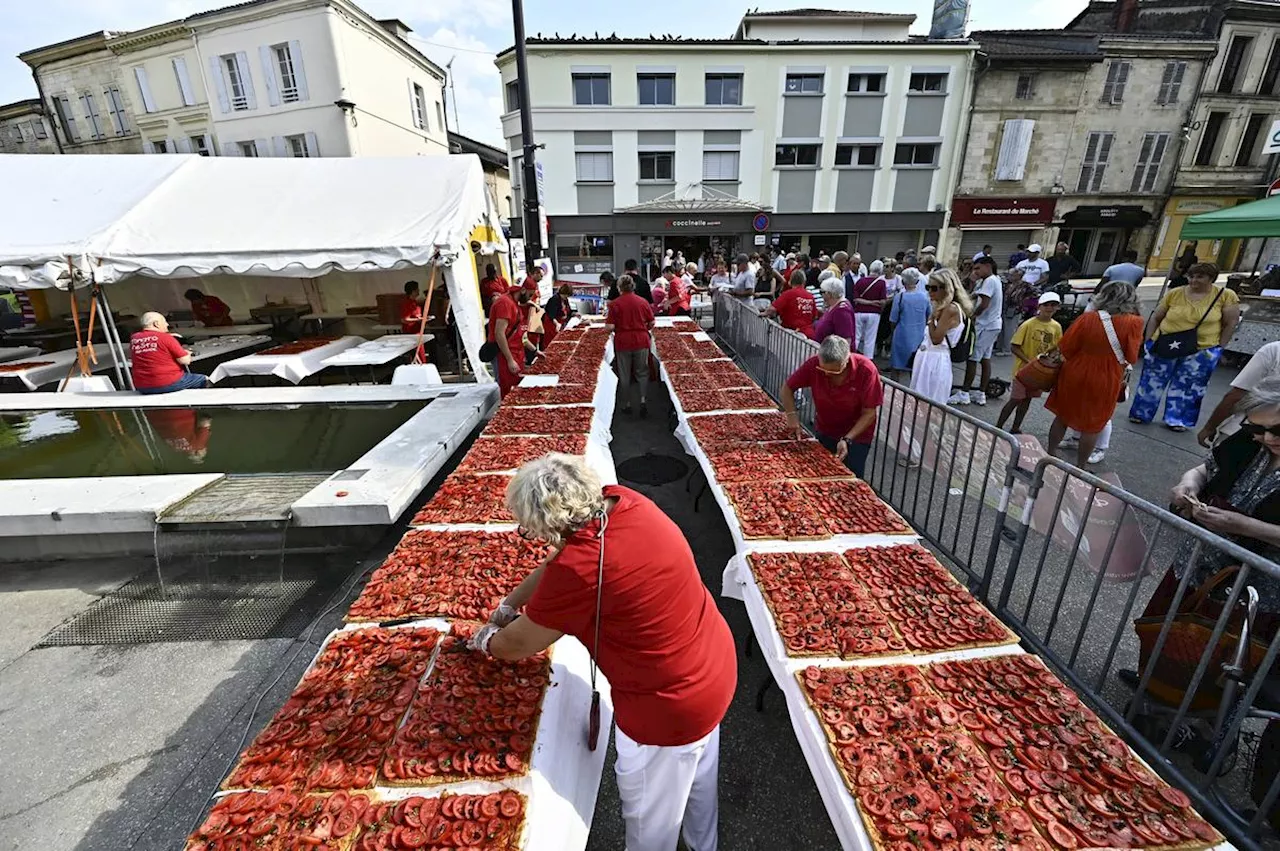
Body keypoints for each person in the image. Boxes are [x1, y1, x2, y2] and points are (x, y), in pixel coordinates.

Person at [470, 454, 736, 851]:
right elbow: (561, 556)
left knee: (650, 819)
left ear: (552, 525)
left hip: (666, 707)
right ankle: (704, 845)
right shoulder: (623, 502)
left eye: (532, 531)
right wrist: (510, 603)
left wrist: (484, 638)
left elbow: (517, 645)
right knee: (697, 775)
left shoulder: (580, 570)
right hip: (711, 665)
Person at [1167, 378, 1280, 617]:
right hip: (1192, 571)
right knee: (1162, 642)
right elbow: (1204, 470)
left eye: (1278, 430)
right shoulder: (1248, 442)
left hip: (1256, 602)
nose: (1268, 438)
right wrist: (1188, 484)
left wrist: (1247, 527)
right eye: (1257, 429)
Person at [1129, 262, 1242, 432]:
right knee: (1152, 381)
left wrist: (1219, 347)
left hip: (1202, 348)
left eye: (1200, 277)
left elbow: (1230, 323)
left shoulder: (1225, 296)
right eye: (1192, 276)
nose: (1194, 280)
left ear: (1211, 279)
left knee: (1189, 386)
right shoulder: (1175, 293)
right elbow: (1156, 317)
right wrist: (1149, 341)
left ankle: (1177, 419)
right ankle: (1141, 413)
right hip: (1166, 344)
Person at [1046, 281, 1143, 467]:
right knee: (1093, 424)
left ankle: (1050, 453)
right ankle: (1080, 466)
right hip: (1107, 376)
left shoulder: (1087, 318)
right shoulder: (1135, 323)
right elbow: (1131, 355)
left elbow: (1066, 347)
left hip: (1075, 371)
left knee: (1063, 416)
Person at [780, 334, 884, 477]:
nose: (828, 375)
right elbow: (787, 388)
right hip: (825, 430)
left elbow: (869, 413)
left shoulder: (866, 370)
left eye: (835, 371)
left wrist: (847, 439)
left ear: (846, 361)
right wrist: (791, 416)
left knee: (850, 479)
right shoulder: (813, 364)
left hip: (857, 436)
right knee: (818, 473)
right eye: (824, 370)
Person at [996, 292, 1063, 434]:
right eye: (1046, 305)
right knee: (1015, 399)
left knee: (1027, 401)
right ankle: (998, 426)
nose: (1049, 308)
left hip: (1040, 373)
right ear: (1040, 306)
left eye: (1053, 305)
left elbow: (1056, 347)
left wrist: (1051, 360)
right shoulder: (1028, 324)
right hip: (1022, 371)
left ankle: (1015, 427)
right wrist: (1028, 362)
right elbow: (1014, 346)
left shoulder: (1056, 327)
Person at [1199, 340, 1280, 448]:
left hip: (1246, 430)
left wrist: (1210, 427)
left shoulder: (1274, 350)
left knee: (1219, 463)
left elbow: (1236, 396)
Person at [912, 268, 971, 405]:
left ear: (947, 289)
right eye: (928, 287)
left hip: (935, 359)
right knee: (918, 402)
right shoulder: (943, 307)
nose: (930, 292)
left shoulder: (950, 309)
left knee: (929, 403)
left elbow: (936, 339)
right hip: (928, 358)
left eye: (934, 288)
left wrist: (932, 319)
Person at [951, 256, 1003, 406]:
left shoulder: (990, 281)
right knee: (985, 359)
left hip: (986, 325)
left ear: (988, 266)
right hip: (992, 325)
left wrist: (972, 315)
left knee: (972, 358)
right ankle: (981, 393)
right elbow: (974, 295)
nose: (976, 271)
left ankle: (965, 393)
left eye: (978, 268)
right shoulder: (992, 280)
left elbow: (984, 304)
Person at [607, 275, 655, 418]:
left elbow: (610, 326)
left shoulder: (615, 304)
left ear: (619, 288)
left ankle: (627, 403)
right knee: (642, 371)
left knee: (624, 373)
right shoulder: (643, 302)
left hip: (623, 341)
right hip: (641, 339)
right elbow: (652, 322)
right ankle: (643, 400)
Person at [131, 312, 208, 394]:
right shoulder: (166, 338)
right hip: (167, 382)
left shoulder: (134, 338)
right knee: (205, 379)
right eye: (164, 321)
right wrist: (187, 353)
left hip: (142, 386)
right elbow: (185, 361)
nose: (167, 324)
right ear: (156, 324)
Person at [488, 286, 534, 397]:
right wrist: (510, 360)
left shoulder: (513, 303)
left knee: (516, 393)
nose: (529, 298)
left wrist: (534, 350)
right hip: (504, 355)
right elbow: (499, 334)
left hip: (515, 353)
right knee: (508, 392)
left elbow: (521, 334)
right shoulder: (505, 303)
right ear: (523, 290)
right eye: (530, 294)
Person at [889, 268, 931, 380]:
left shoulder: (900, 297)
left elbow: (893, 318)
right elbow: (929, 316)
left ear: (903, 281)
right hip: (919, 335)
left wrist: (893, 332)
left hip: (901, 334)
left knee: (896, 366)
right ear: (917, 282)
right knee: (915, 366)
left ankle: (893, 392)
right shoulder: (924, 297)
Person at [848, 260, 888, 359]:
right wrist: (875, 304)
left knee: (856, 336)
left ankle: (852, 356)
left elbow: (856, 299)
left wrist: (867, 302)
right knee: (870, 338)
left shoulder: (860, 281)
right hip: (874, 313)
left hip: (859, 311)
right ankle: (867, 359)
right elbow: (883, 301)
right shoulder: (881, 283)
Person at [765, 270, 818, 339]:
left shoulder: (787, 294)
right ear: (804, 281)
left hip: (791, 335)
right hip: (808, 336)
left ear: (791, 281)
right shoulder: (810, 296)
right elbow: (814, 316)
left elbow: (772, 309)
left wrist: (764, 313)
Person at [813, 277, 856, 348]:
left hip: (832, 356)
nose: (821, 295)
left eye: (822, 292)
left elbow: (845, 341)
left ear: (829, 294)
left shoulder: (842, 311)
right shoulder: (833, 306)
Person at [542, 283, 575, 348]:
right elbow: (551, 314)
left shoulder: (565, 300)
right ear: (563, 293)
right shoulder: (554, 299)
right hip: (551, 324)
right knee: (551, 343)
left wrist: (574, 313)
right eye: (566, 295)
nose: (566, 297)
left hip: (559, 323)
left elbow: (568, 311)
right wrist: (556, 323)